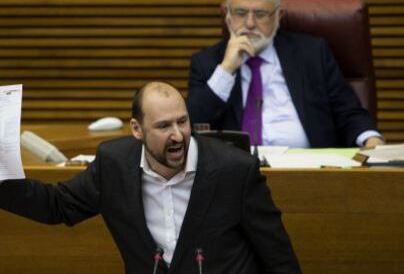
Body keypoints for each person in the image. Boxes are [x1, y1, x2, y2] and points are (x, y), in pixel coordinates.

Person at [0, 82, 301, 274]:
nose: (177, 135)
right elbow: (56, 206)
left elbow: (279, 258)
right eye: (163, 126)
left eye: (182, 122)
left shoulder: (235, 170)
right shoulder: (114, 165)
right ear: (137, 130)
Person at [187, 0, 384, 148]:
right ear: (228, 16)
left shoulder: (313, 54)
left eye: (260, 14)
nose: (249, 23)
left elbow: (348, 112)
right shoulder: (207, 63)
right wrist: (226, 69)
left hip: (310, 172)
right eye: (240, 13)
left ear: (278, 16)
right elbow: (191, 126)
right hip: (236, 178)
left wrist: (371, 139)